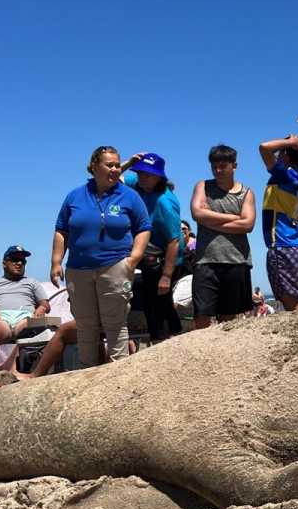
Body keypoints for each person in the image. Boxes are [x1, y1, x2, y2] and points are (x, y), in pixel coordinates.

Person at [51, 145, 151, 368]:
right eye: (110, 165)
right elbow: (61, 230)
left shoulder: (129, 196)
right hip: (78, 268)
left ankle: (118, 373)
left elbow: (144, 228)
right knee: (86, 324)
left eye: (117, 165)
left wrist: (133, 259)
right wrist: (56, 261)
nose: (115, 169)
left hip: (115, 265)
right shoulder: (74, 196)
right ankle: (87, 372)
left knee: (115, 322)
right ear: (94, 167)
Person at [190, 144, 256, 329]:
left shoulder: (246, 193)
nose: (218, 171)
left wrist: (210, 220)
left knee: (228, 320)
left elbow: (248, 225)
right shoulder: (203, 186)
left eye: (223, 166)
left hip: (236, 260)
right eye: (214, 167)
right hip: (205, 260)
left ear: (234, 165)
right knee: (201, 316)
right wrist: (233, 218)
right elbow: (197, 213)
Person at [121, 152, 184, 343]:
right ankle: (164, 336)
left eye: (147, 174)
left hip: (166, 258)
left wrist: (166, 275)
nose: (142, 177)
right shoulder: (138, 183)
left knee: (158, 301)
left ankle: (168, 338)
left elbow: (174, 240)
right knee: (150, 301)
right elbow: (110, 176)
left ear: (158, 176)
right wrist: (129, 163)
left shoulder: (165, 202)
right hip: (147, 252)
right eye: (140, 173)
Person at [260, 115, 298, 312]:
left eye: (282, 152)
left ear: (286, 156)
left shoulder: (284, 174)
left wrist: (290, 142)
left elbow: (264, 147)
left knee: (291, 303)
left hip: (282, 246)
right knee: (295, 298)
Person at [0, 245, 50, 379]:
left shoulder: (32, 282)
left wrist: (42, 307)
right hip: (1, 319)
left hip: (26, 317)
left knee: (31, 324)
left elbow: (45, 304)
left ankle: (28, 370)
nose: (20, 263)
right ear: (4, 263)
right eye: (15, 259)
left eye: (23, 261)